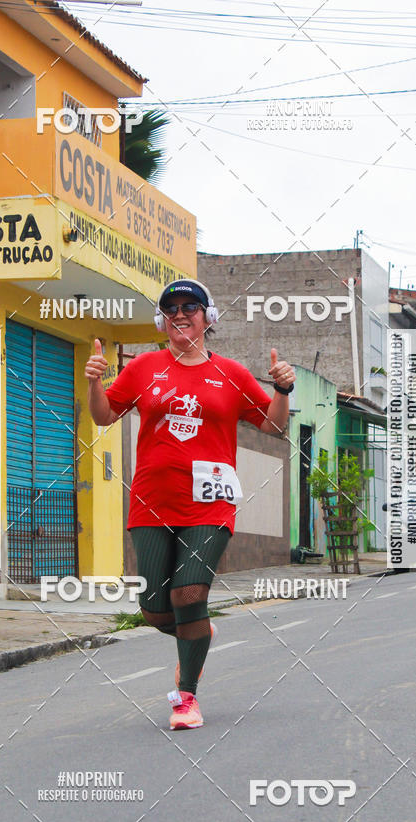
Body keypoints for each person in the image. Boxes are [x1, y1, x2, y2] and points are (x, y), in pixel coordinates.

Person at [84, 278, 295, 730]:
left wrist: (282, 391)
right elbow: (103, 416)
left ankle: (186, 699)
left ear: (208, 317)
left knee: (189, 593)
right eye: (172, 308)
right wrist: (95, 382)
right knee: (156, 609)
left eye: (191, 307)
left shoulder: (232, 374)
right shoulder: (143, 368)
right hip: (152, 501)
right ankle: (197, 632)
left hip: (209, 503)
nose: (181, 314)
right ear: (162, 320)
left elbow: (275, 428)